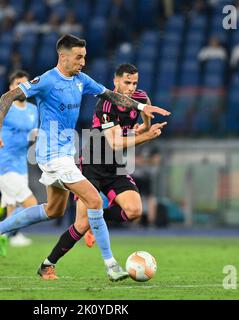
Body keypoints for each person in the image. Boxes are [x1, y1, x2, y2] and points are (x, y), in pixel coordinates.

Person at [0, 34, 170, 281]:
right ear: (63, 56)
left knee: (53, 210)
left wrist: (142, 108)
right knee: (94, 201)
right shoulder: (47, 80)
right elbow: (8, 97)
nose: (82, 62)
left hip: (66, 155)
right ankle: (111, 265)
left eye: (84, 57)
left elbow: (112, 96)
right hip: (51, 154)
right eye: (78, 57)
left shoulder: (81, 80)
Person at [38, 64, 166, 277]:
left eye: (134, 82)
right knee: (80, 225)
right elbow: (115, 143)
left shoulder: (141, 97)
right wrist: (146, 136)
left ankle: (97, 219)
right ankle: (47, 264)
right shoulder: (106, 104)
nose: (131, 87)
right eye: (127, 82)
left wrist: (144, 128)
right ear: (116, 82)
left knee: (134, 211)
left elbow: (145, 120)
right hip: (92, 166)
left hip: (115, 168)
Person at [0, 70, 39, 263]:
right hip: (4, 166)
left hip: (21, 166)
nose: (22, 87)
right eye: (17, 84)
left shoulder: (33, 110)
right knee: (32, 206)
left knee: (12, 212)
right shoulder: (4, 107)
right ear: (10, 88)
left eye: (25, 84)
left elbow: (31, 136)